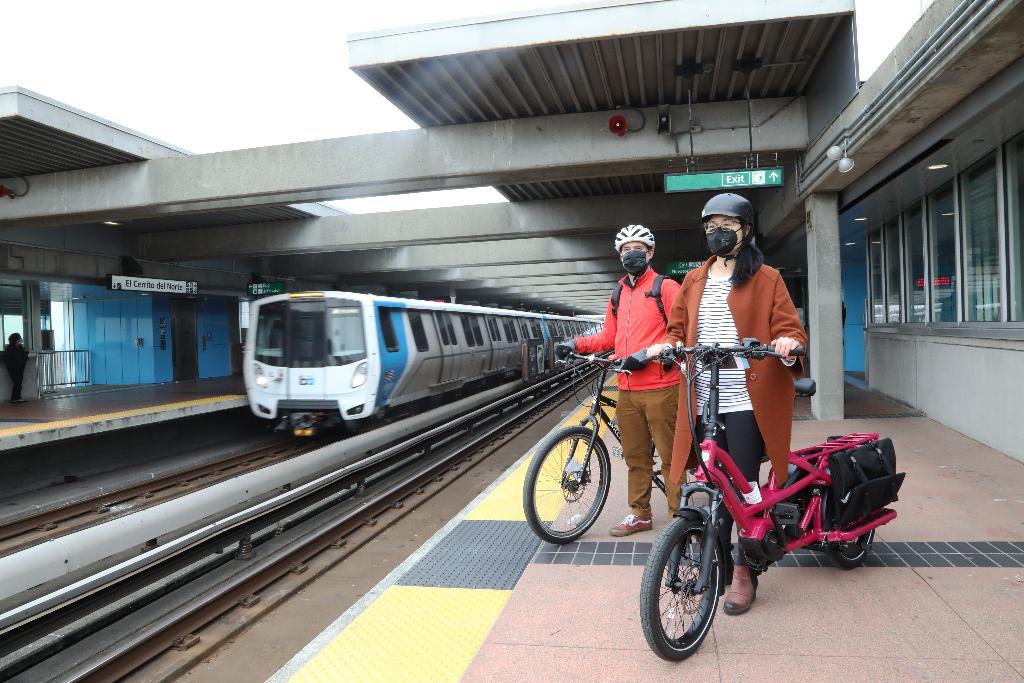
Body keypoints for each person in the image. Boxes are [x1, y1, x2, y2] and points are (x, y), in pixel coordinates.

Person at [649, 193, 807, 616]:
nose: (716, 233)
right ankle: (712, 559)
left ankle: (743, 569)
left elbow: (791, 330)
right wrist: (665, 347)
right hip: (702, 398)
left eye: (726, 225)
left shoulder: (767, 278)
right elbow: (677, 329)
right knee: (708, 482)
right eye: (709, 226)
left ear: (745, 230)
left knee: (739, 487)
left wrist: (788, 344)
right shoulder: (693, 281)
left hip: (745, 399)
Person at [555, 225, 682, 536]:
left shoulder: (666, 287)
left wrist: (650, 353)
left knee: (670, 458)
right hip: (626, 387)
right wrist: (577, 344)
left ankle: (681, 517)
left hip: (662, 387)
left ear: (650, 253)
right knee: (636, 456)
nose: (631, 254)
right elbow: (609, 337)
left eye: (637, 248)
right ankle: (640, 514)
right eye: (625, 250)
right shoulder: (618, 293)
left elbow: (680, 332)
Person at [4, 333, 29, 403]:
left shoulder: (20, 347)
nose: (20, 340)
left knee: (18, 382)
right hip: (14, 368)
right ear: (16, 340)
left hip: (20, 368)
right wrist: (25, 353)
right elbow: (18, 358)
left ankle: (17, 398)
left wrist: (25, 352)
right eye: (19, 339)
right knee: (17, 382)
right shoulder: (10, 348)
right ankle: (14, 398)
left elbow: (22, 358)